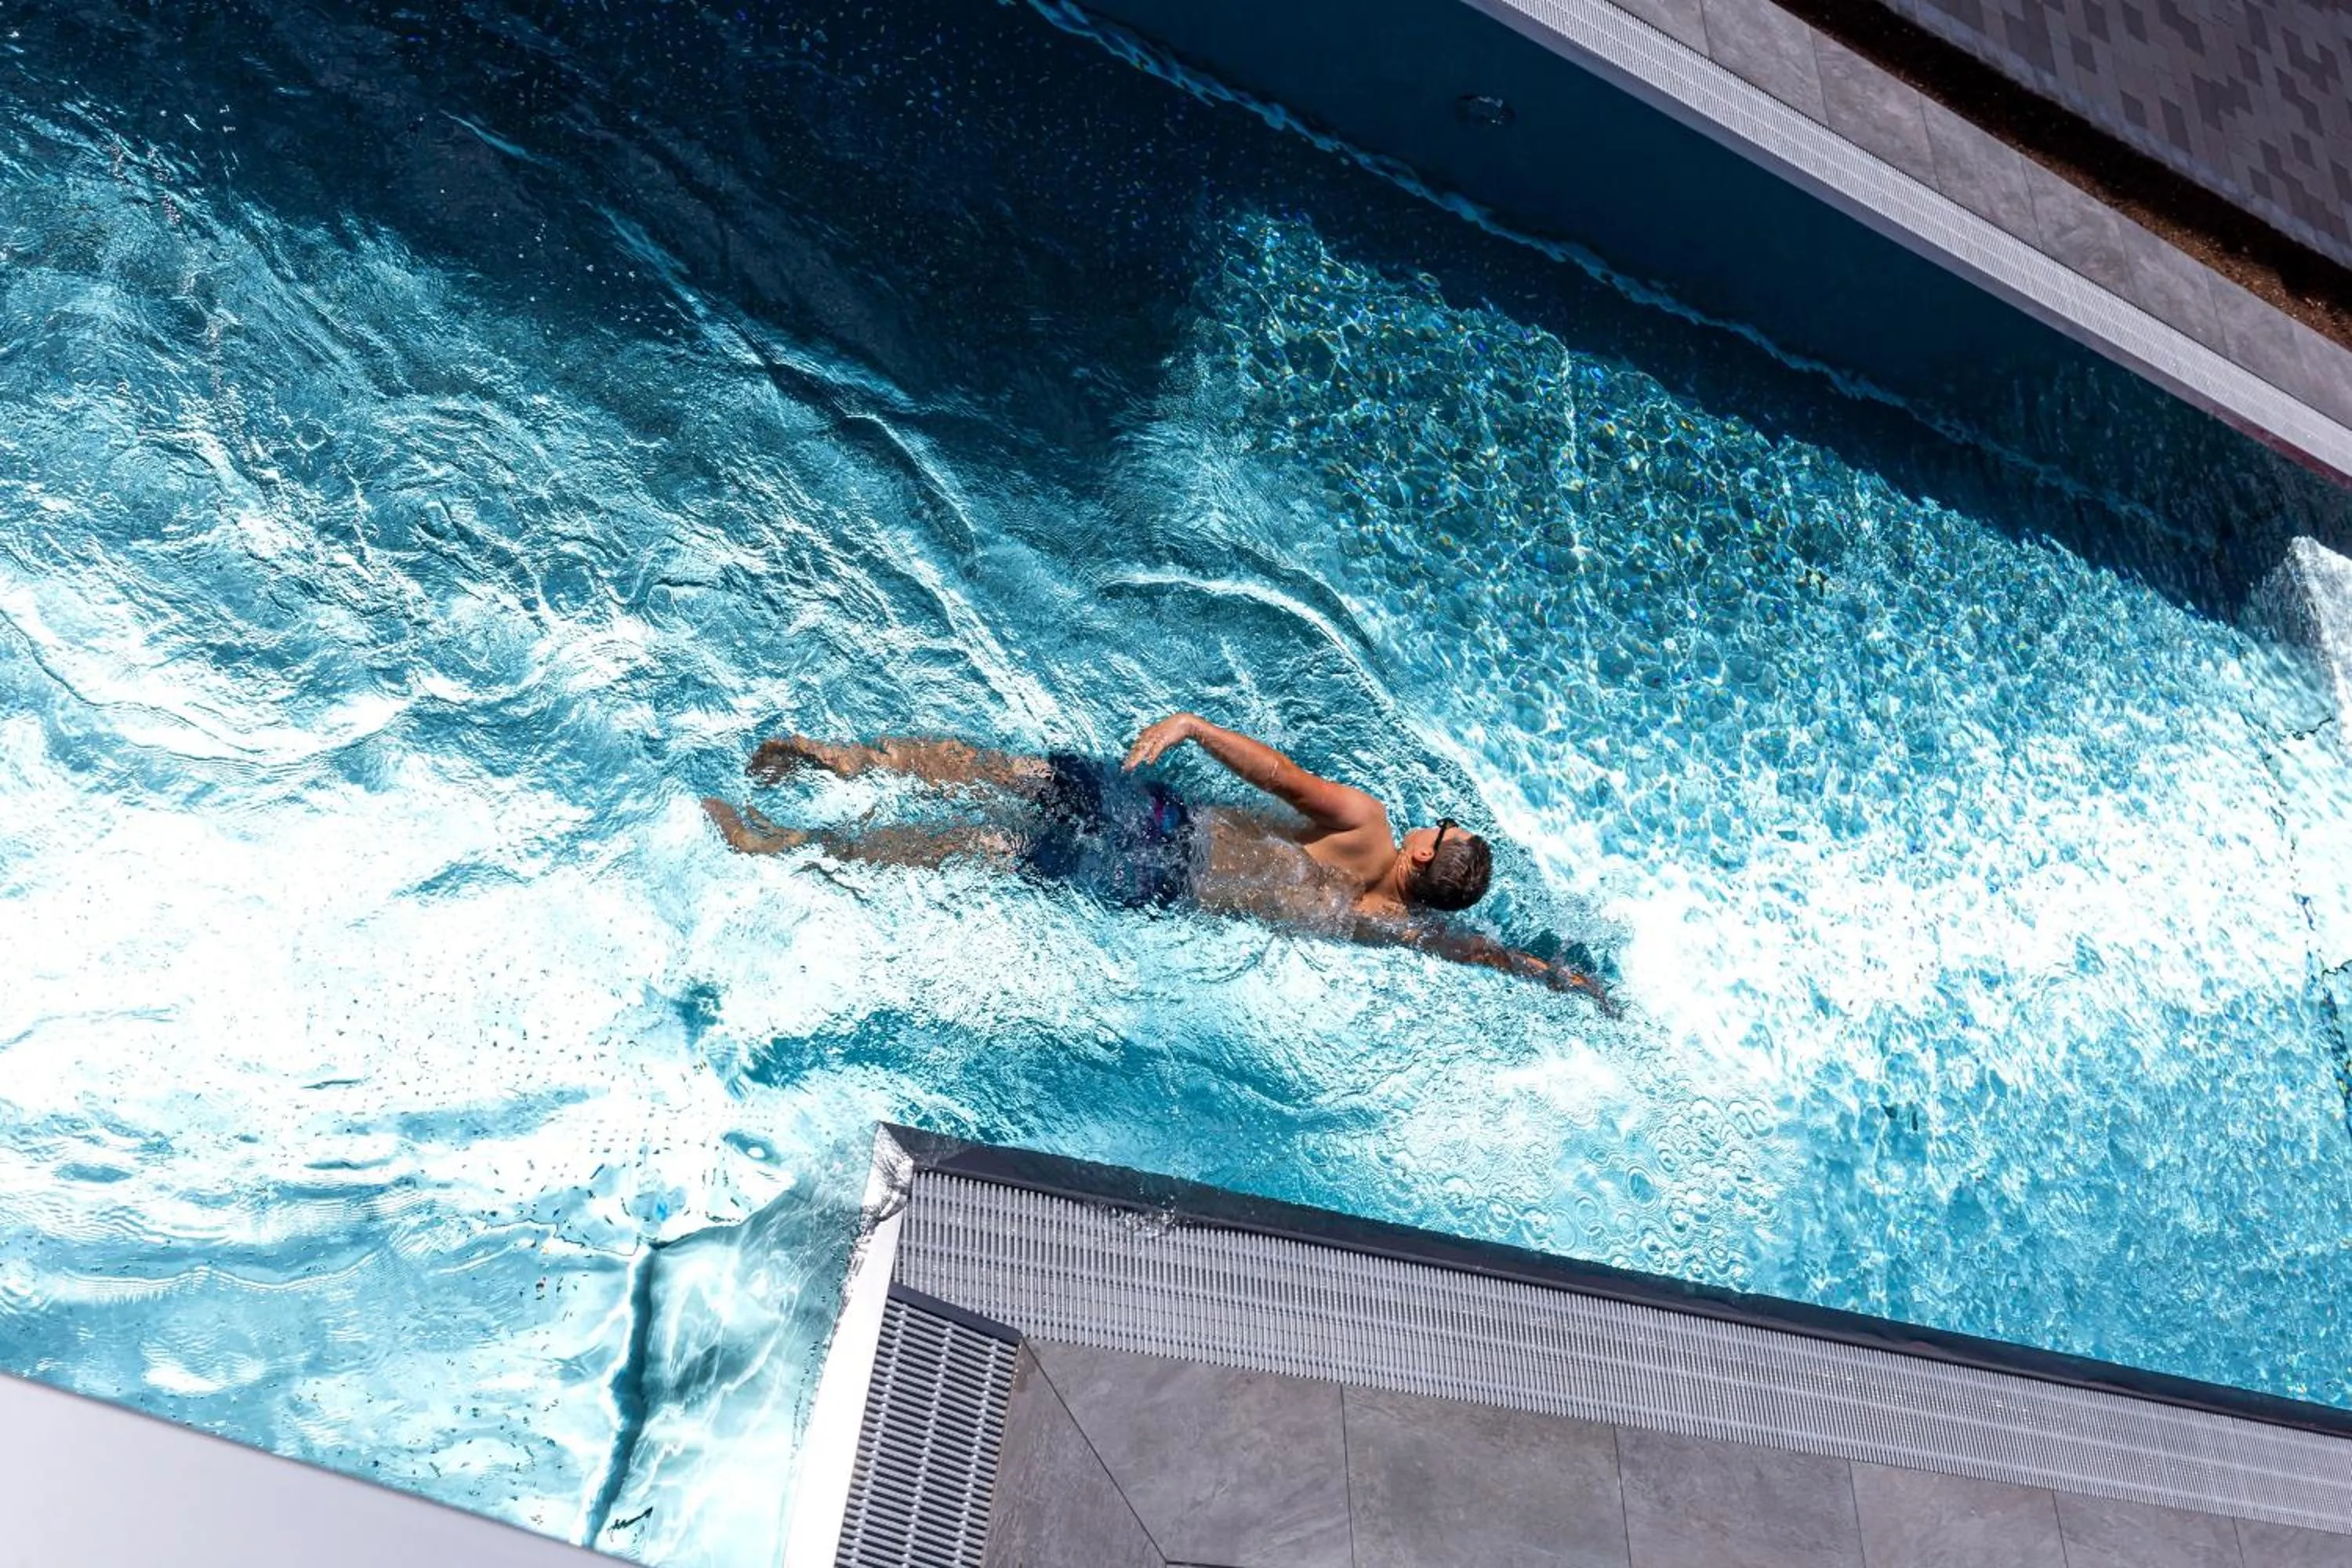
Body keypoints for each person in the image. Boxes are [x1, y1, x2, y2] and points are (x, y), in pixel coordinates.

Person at [701, 712, 1616, 1009]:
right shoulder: (1401, 930)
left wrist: (1191, 725)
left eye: (1441, 829)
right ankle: (793, 842)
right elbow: (1491, 957)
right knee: (988, 846)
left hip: (1168, 820)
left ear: (1424, 848)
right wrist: (1566, 980)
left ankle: (849, 760)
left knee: (1004, 776)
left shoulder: (1369, 825)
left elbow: (1281, 774)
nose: (1431, 825)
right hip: (1159, 887)